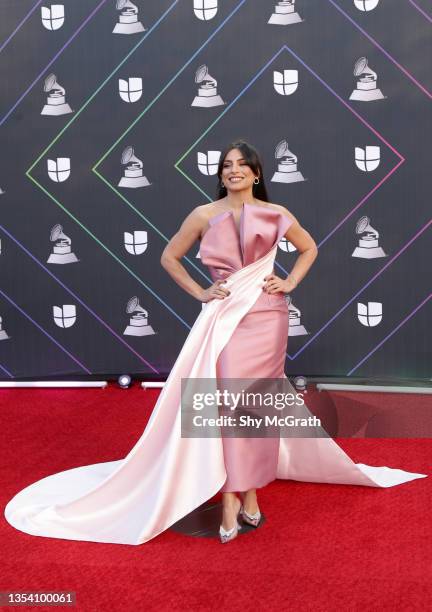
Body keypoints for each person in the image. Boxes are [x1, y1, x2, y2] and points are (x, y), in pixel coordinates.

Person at [4, 140, 427, 546]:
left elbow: (309, 247)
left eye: (241, 164)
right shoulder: (203, 214)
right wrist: (201, 292)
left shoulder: (276, 213)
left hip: (268, 316)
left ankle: (251, 493)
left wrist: (290, 281)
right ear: (220, 173)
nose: (233, 170)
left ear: (257, 173)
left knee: (259, 407)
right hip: (226, 318)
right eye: (226, 165)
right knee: (224, 405)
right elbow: (169, 257)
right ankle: (230, 495)